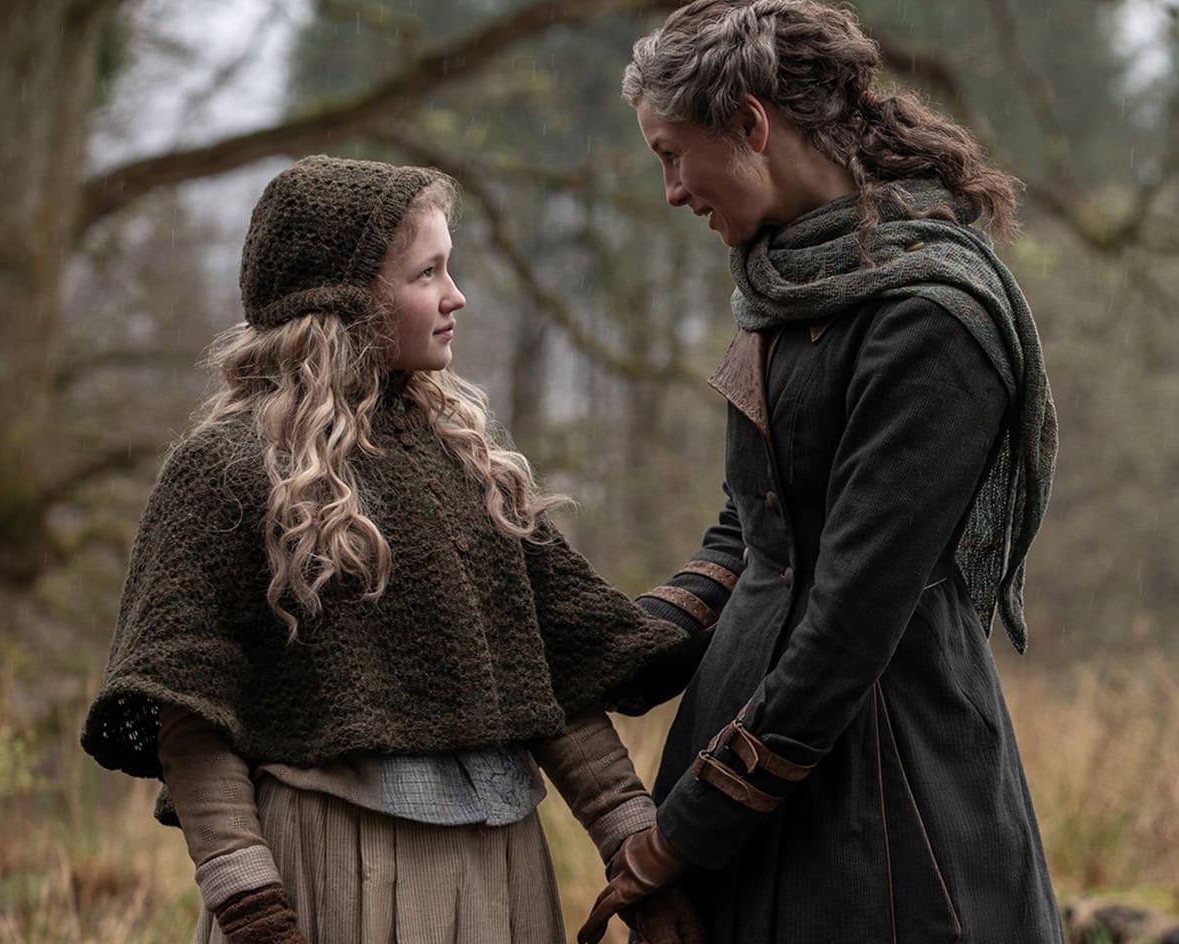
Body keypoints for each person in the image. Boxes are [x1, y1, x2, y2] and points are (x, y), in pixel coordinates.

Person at [81, 155, 703, 944]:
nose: (455, 295)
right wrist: (247, 900)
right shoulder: (227, 469)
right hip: (331, 868)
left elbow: (550, 669)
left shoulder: (468, 464)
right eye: (427, 273)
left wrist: (632, 842)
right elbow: (188, 706)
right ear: (347, 301)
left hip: (504, 872)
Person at [579, 1, 1064, 942]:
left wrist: (682, 834)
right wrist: (612, 655)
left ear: (750, 123)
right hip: (736, 784)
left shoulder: (931, 318)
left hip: (887, 803)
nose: (672, 191)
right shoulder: (781, 290)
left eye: (672, 154)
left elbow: (850, 616)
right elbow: (749, 536)